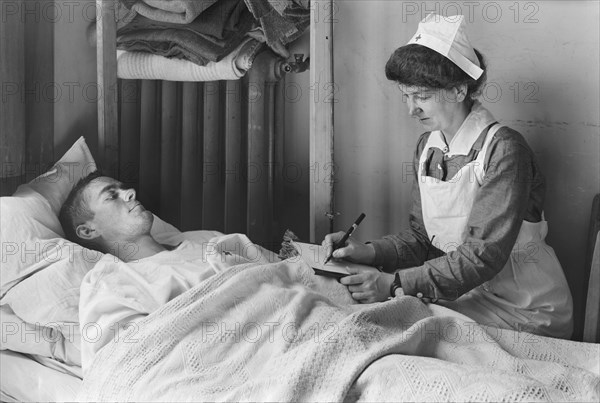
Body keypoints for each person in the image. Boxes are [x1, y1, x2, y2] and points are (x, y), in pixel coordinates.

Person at [322, 14, 573, 339]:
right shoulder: (428, 147)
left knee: (398, 330)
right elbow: (424, 239)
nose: (411, 109)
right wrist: (367, 252)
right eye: (406, 96)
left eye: (422, 96)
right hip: (471, 297)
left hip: (527, 310)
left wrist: (394, 284)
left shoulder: (505, 150)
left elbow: (482, 255)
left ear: (458, 90)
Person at [59, 171, 269, 369]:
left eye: (124, 188)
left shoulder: (206, 240)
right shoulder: (111, 283)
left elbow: (278, 268)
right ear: (88, 230)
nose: (130, 193)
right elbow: (122, 360)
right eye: (112, 196)